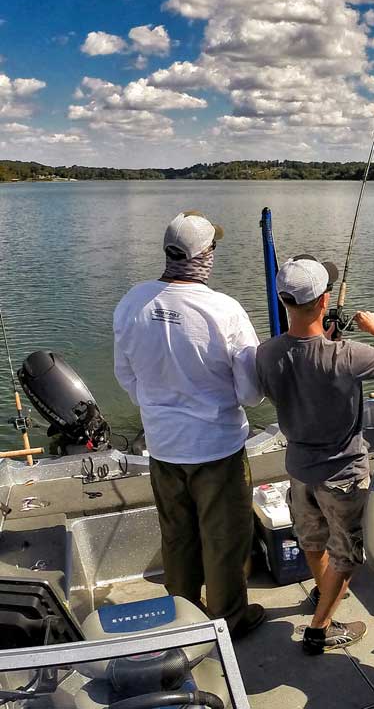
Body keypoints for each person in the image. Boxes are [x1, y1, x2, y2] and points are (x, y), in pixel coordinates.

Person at [255, 255, 374, 654]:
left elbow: (300, 365)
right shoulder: (348, 355)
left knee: (312, 540)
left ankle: (322, 593)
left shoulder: (266, 353)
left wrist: (323, 343)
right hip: (343, 475)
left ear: (285, 302)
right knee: (346, 555)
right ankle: (320, 630)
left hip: (299, 470)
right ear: (324, 301)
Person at [113, 210, 266, 638]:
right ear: (206, 255)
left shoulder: (131, 302)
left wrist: (159, 410)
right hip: (217, 449)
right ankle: (229, 619)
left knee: (176, 534)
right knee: (225, 539)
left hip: (162, 446)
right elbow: (251, 392)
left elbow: (126, 376)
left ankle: (181, 615)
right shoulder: (224, 310)